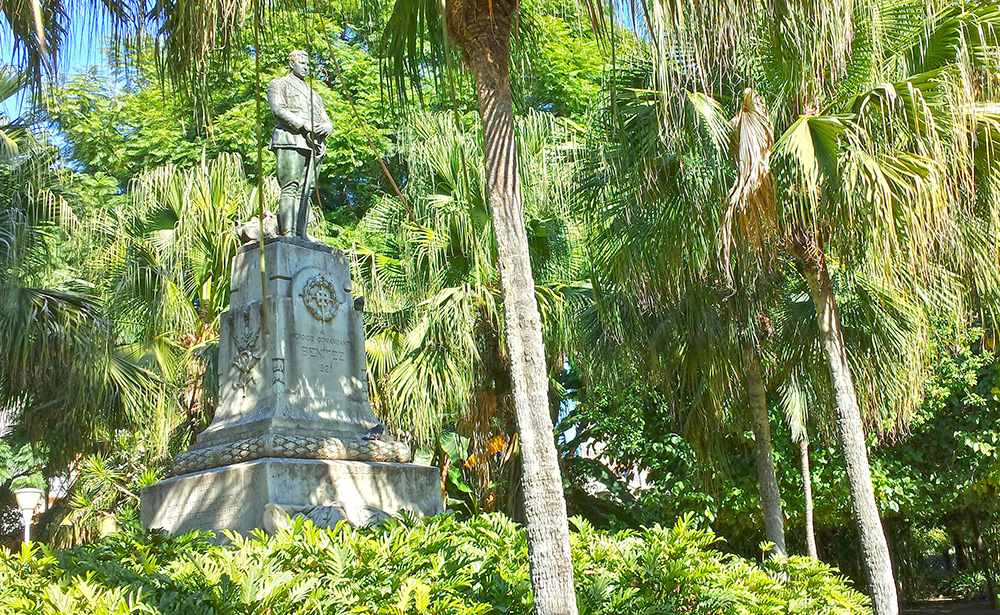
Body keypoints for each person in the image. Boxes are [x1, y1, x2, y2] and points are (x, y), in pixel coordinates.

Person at [267, 50, 333, 237]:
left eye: (308, 64)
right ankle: (288, 233)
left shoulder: (314, 94)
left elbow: (325, 118)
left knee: (307, 190)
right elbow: (278, 110)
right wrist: (304, 124)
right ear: (291, 64)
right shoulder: (279, 84)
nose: (305, 67)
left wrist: (327, 128)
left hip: (314, 146)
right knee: (290, 187)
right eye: (302, 63)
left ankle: (301, 234)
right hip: (290, 139)